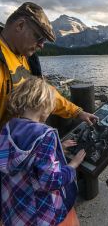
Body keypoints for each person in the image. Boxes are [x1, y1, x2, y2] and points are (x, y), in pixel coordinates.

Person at [0, 77, 86, 225]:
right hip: (41, 215)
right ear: (45, 104)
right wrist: (72, 166)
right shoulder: (45, 134)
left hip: (16, 211)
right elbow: (50, 181)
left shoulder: (7, 128)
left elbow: (26, 158)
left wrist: (58, 148)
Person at [0, 1, 98, 128]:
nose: (41, 45)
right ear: (20, 25)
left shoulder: (27, 56)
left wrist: (78, 112)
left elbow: (44, 94)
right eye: (39, 37)